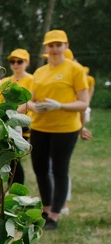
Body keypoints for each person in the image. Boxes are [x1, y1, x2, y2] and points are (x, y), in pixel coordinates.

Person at [27, 30, 89, 230]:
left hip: (65, 128)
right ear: (46, 48)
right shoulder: (39, 72)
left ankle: (54, 215)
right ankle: (46, 208)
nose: (54, 49)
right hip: (39, 126)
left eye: (58, 45)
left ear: (66, 46)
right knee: (40, 169)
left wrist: (60, 106)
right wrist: (34, 106)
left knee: (60, 169)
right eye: (50, 45)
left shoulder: (75, 70)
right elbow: (29, 99)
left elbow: (83, 103)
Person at [2, 48, 34, 185]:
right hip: (7, 123)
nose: (16, 64)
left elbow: (32, 101)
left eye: (19, 61)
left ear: (27, 62)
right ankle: (10, 187)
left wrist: (14, 112)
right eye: (12, 61)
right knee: (8, 157)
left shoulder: (33, 80)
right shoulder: (4, 82)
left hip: (23, 124)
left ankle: (16, 186)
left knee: (15, 158)